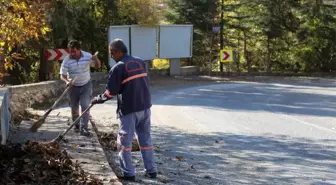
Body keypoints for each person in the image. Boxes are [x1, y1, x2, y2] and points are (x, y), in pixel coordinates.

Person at [91, 38, 157, 181]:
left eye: (112, 53)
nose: (111, 56)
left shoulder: (118, 67)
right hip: (145, 107)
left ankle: (129, 173)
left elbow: (111, 92)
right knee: (145, 139)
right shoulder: (140, 61)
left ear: (118, 52)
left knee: (124, 143)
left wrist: (98, 99)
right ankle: (151, 171)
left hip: (129, 109)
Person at [60, 40, 101, 136]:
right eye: (70, 51)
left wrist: (96, 59)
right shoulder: (67, 59)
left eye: (74, 51)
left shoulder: (87, 56)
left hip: (86, 85)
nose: (72, 54)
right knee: (74, 108)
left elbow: (98, 66)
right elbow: (62, 75)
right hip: (73, 87)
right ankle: (76, 125)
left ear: (79, 50)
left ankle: (84, 128)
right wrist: (67, 82)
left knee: (85, 106)